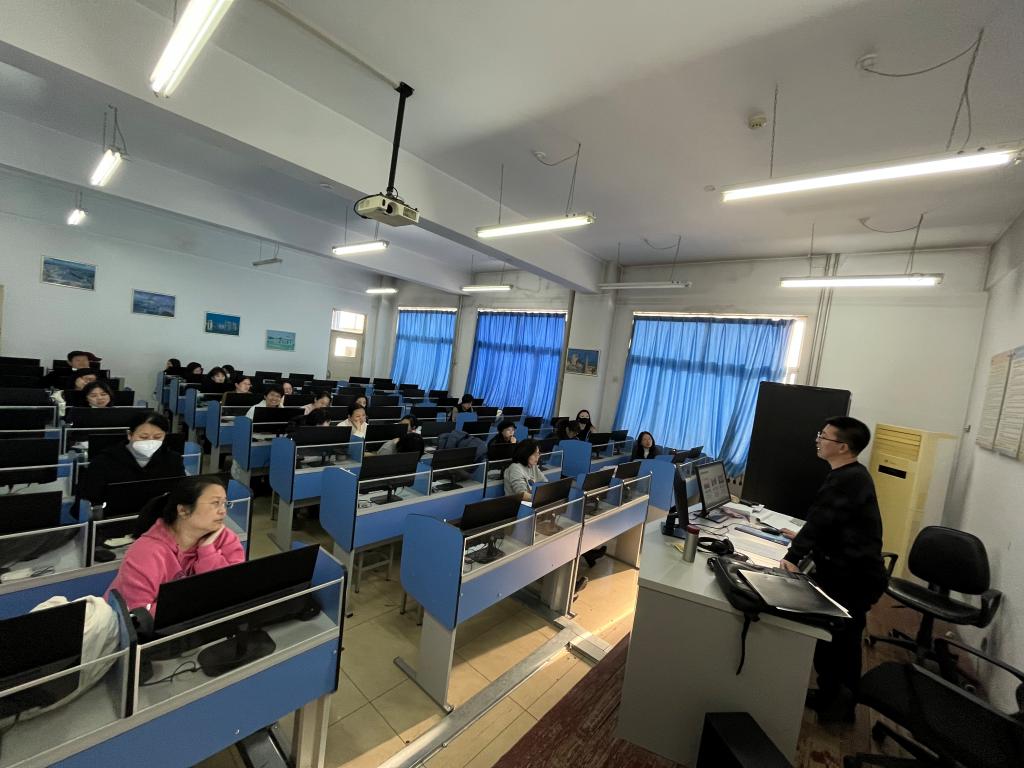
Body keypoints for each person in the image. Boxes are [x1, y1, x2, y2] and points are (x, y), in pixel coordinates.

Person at [780, 416, 886, 723]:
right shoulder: (851, 475)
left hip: (852, 577)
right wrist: (804, 538)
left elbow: (821, 520)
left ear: (843, 447)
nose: (818, 440)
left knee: (839, 643)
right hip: (853, 571)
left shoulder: (846, 479)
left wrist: (793, 555)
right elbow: (832, 522)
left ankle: (838, 706)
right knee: (842, 641)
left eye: (824, 436)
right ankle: (833, 696)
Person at [106, 477, 244, 614]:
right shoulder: (146, 552)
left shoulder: (225, 538)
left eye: (225, 503)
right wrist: (200, 598)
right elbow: (139, 616)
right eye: (215, 503)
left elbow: (233, 591)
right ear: (183, 510)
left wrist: (207, 552)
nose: (223, 511)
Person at [80, 412, 185, 504]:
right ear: (130, 435)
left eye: (157, 437)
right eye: (143, 437)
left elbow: (182, 493)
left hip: (159, 516)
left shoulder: (173, 459)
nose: (150, 441)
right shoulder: (103, 462)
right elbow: (88, 501)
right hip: (116, 518)